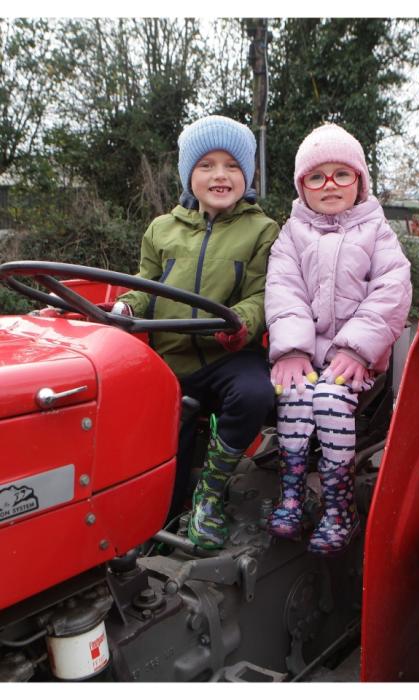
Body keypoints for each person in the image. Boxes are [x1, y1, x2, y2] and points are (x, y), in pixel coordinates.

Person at [111, 115, 280, 549]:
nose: (220, 175)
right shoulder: (161, 229)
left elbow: (263, 294)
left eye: (232, 166)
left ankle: (210, 491)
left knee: (256, 393)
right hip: (170, 359)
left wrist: (241, 321)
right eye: (207, 165)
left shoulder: (261, 230)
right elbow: (145, 283)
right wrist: (127, 306)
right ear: (189, 174)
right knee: (164, 441)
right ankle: (153, 528)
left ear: (247, 176)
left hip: (228, 355)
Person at [265, 124, 411, 555]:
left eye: (341, 174)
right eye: (316, 177)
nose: (329, 185)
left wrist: (355, 348)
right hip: (307, 355)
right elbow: (283, 291)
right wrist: (292, 349)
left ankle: (339, 507)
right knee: (294, 395)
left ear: (359, 181)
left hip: (357, 358)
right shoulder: (291, 235)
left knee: (329, 398)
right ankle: (293, 494)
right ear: (302, 186)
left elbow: (391, 291)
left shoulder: (377, 232)